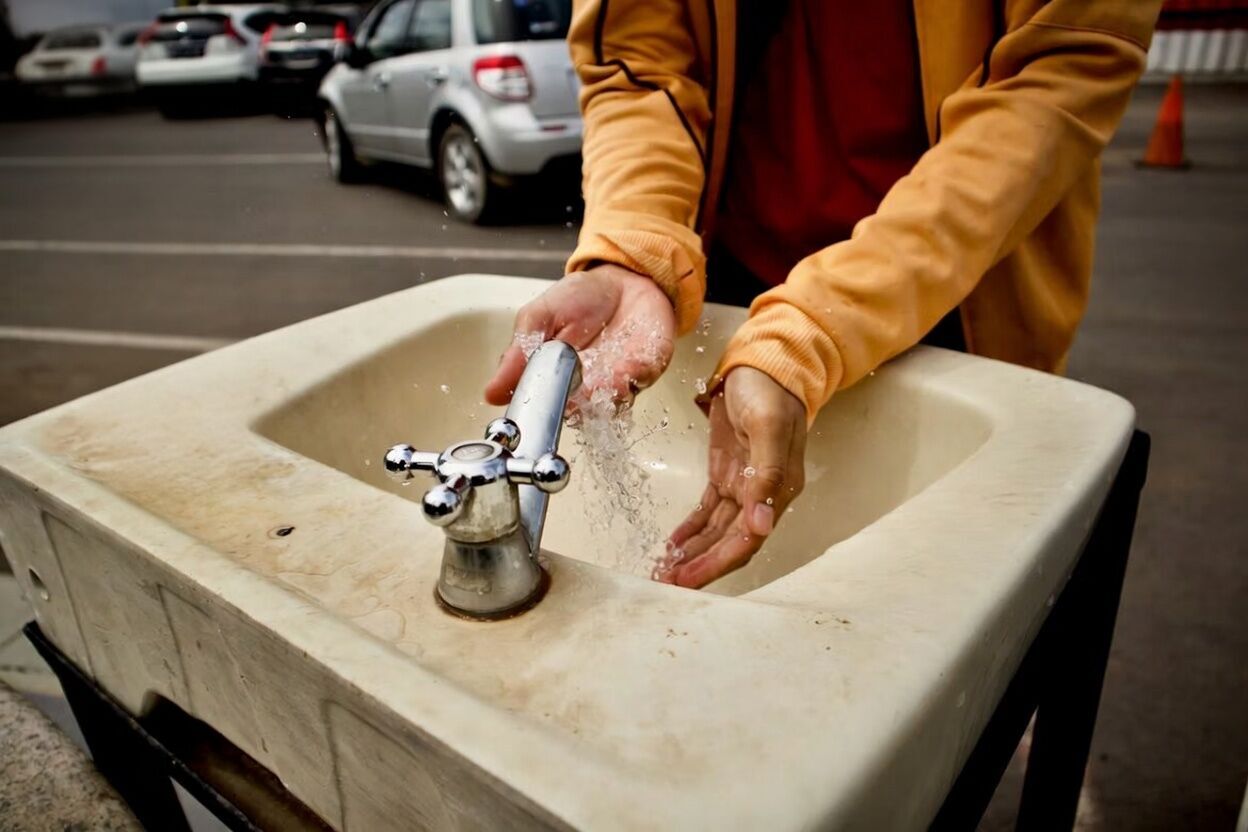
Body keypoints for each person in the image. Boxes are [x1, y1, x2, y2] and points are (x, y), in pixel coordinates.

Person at [485, 0, 1161, 589]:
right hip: (732, 296)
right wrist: (634, 249)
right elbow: (637, 60)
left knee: (944, 603)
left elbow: (1052, 79)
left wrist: (811, 327)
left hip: (959, 295)